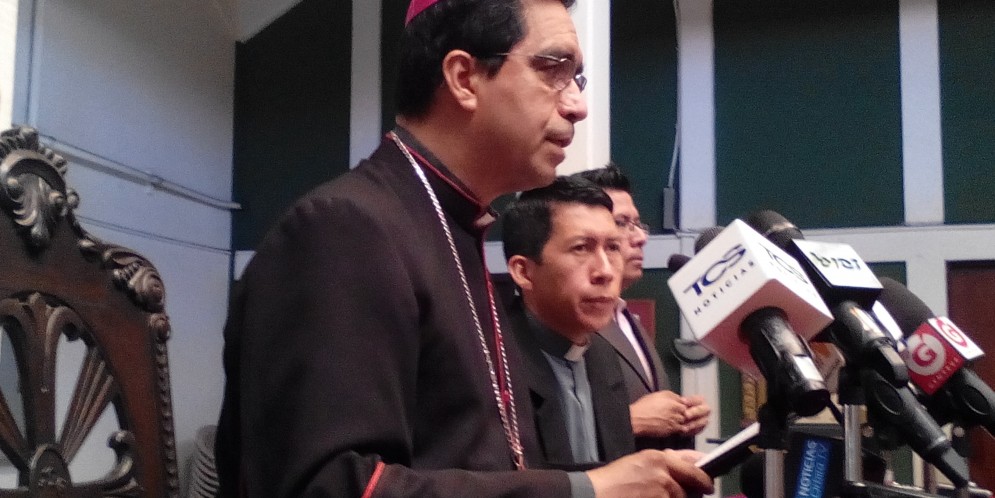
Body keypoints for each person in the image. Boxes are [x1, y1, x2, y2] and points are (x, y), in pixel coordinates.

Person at [215, 0, 714, 497]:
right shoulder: (343, 229)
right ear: (464, 78)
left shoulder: (456, 227)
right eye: (553, 70)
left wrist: (631, 477)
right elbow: (326, 485)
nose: (577, 105)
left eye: (576, 79)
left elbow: (479, 461)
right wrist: (585, 492)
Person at [575, 164, 711, 451]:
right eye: (622, 223)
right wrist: (631, 420)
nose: (641, 237)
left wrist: (681, 419)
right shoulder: (568, 319)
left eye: (638, 224)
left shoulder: (627, 318)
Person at [501, 176, 634, 467]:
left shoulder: (604, 356)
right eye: (581, 248)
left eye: (613, 247)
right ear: (523, 271)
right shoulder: (495, 364)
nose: (605, 271)